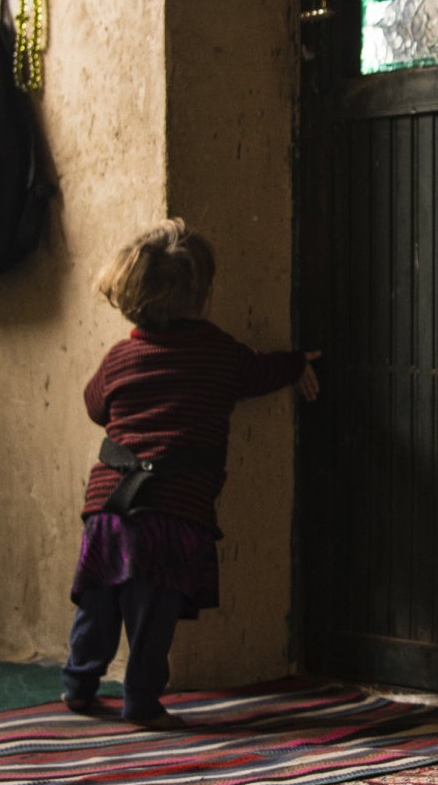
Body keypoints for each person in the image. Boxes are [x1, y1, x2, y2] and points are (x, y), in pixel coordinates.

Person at [64, 219, 319, 730]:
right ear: (201, 294)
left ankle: (79, 684)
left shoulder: (119, 357)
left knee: (99, 600)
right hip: (176, 509)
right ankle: (141, 699)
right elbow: (258, 372)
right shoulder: (217, 353)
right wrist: (297, 364)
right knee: (151, 612)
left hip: (110, 506)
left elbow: (96, 407)